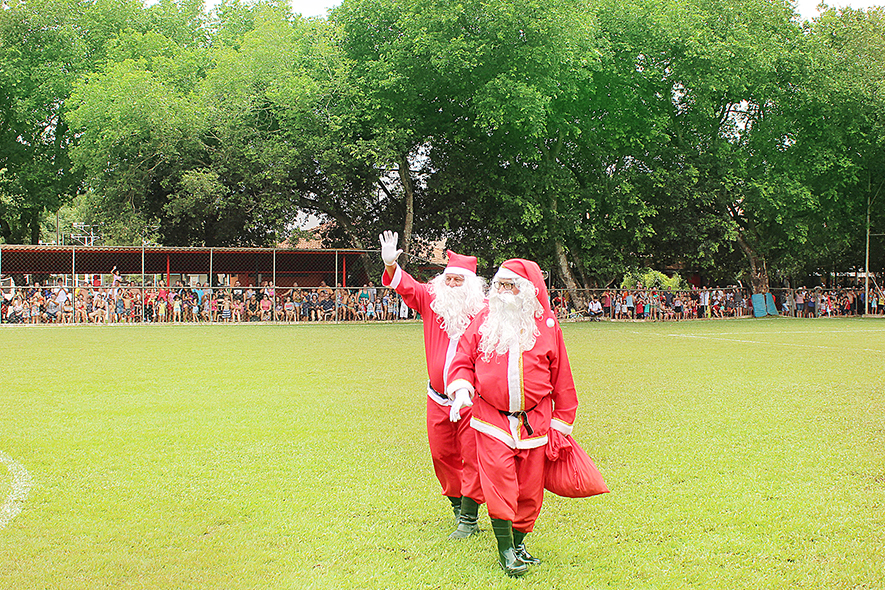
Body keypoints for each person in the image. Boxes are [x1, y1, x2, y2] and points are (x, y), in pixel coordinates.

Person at [447, 259, 580, 577]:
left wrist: (561, 423)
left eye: (511, 285)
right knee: (500, 483)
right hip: (490, 419)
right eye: (500, 285)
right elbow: (462, 359)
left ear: (529, 291)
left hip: (536, 423)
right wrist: (461, 389)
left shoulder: (547, 326)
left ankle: (519, 543)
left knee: (531, 491)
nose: (504, 291)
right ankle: (505, 550)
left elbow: (562, 379)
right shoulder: (483, 320)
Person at [379, 230, 486, 540]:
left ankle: (469, 516)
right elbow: (408, 285)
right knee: (441, 454)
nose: (451, 286)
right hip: (436, 397)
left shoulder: (482, 314)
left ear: (471, 287)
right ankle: (456, 505)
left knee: (472, 455)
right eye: (448, 280)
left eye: (458, 281)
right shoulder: (432, 302)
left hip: (471, 399)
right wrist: (389, 265)